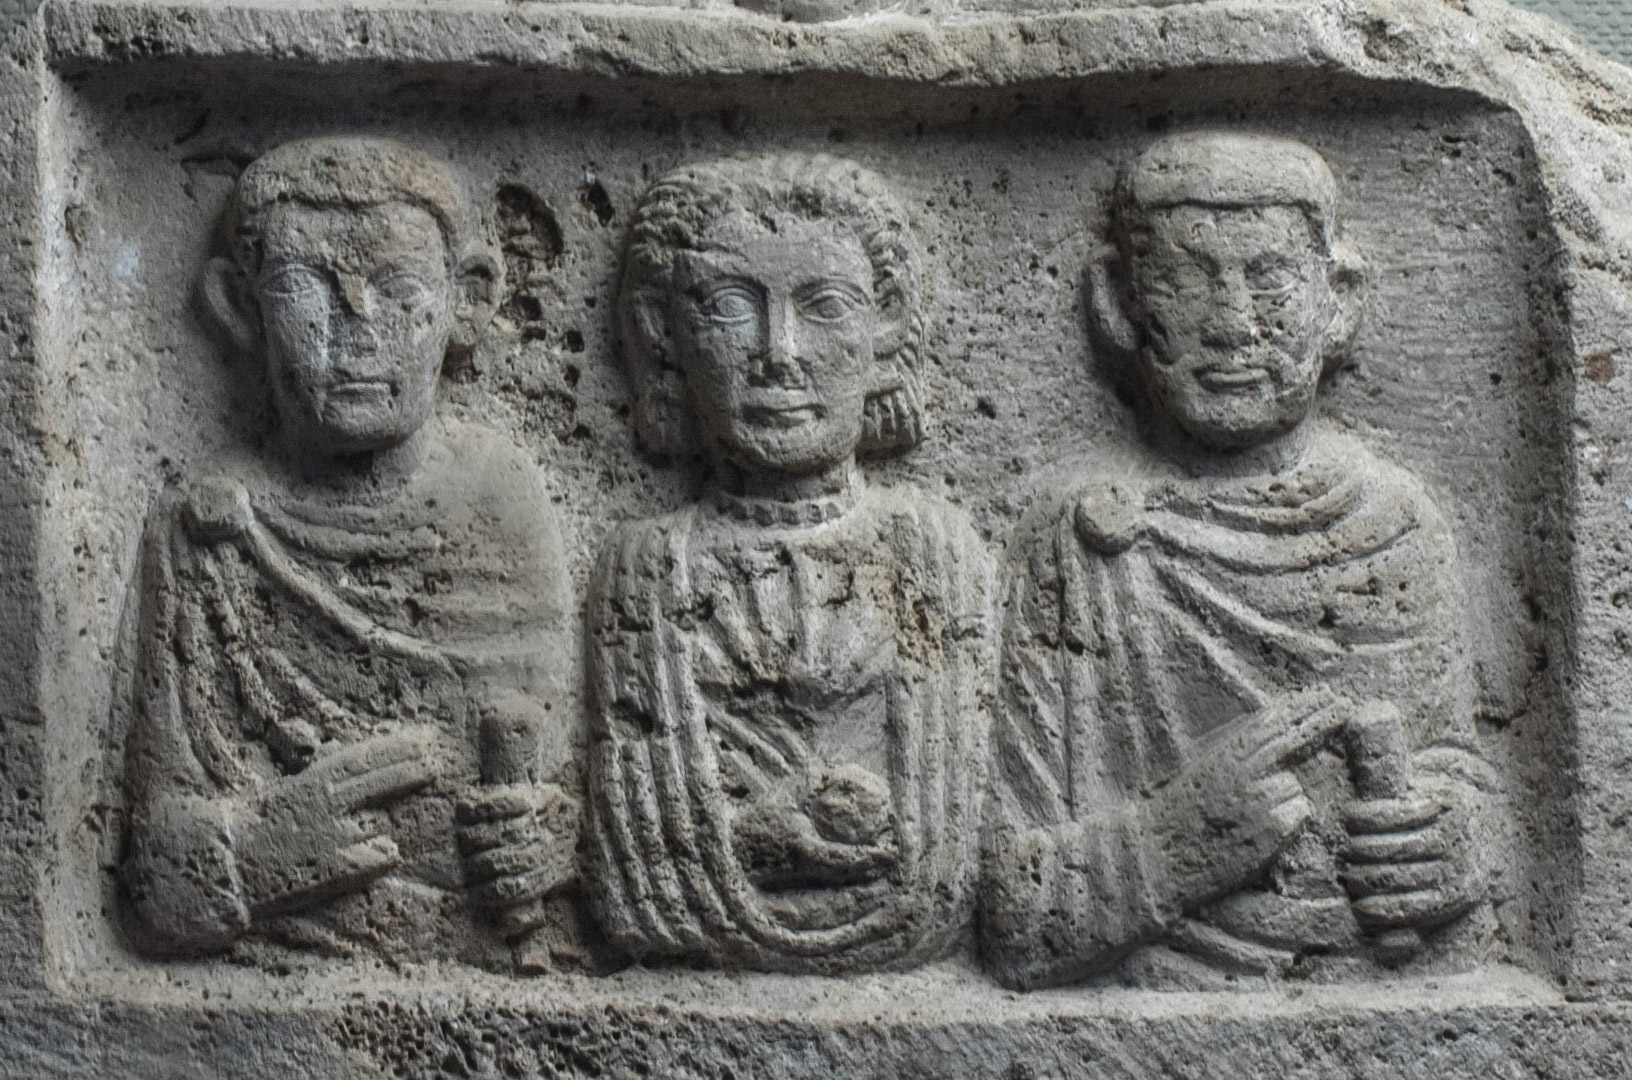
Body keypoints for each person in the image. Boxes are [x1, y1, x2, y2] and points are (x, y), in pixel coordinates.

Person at [982, 131, 1499, 990]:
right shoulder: (1077, 545)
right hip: (1148, 1000)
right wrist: (1174, 845)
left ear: (1338, 300)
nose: (1232, 324)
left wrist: (1451, 845)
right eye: (1185, 281)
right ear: (1117, 303)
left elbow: (1450, 769)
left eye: (1270, 279)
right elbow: (1013, 914)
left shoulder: (1395, 526)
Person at [121, 136, 579, 970]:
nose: (358, 328)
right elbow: (153, 873)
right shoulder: (205, 526)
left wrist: (551, 839)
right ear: (239, 306)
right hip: (273, 976)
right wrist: (256, 856)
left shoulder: (504, 500)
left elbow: (567, 778)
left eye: (399, 290)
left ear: (466, 301)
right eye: (308, 289)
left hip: (484, 964)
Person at [587, 153, 994, 974]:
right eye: (731, 308)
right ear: (664, 335)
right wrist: (756, 838)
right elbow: (636, 891)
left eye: (826, 306)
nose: (780, 353)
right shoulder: (646, 569)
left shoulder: (937, 553)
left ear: (887, 328)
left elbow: (947, 873)